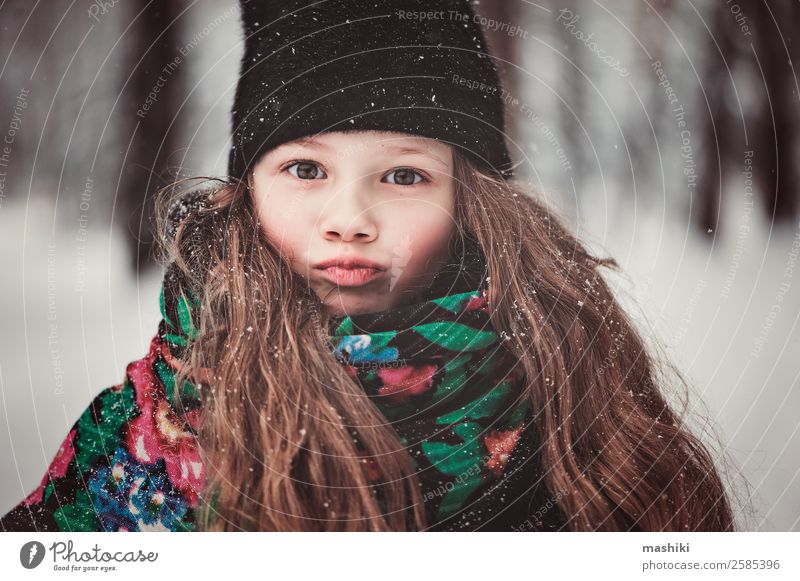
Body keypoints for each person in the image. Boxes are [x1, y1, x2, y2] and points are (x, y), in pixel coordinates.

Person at [1, 0, 735, 532]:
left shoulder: (574, 400)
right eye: (305, 168)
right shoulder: (156, 425)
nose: (349, 217)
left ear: (468, 200)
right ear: (247, 192)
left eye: (404, 176)